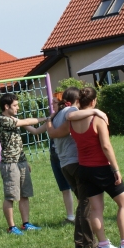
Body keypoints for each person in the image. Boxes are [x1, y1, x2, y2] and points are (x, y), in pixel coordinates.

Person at [67, 87, 124, 248]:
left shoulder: (73, 120)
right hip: (101, 168)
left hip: (84, 169)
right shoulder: (98, 119)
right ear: (94, 101)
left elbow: (69, 116)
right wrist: (115, 168)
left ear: (79, 101)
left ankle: (103, 245)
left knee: (96, 209)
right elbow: (106, 146)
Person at [47, 86, 96, 248]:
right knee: (86, 203)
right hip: (75, 162)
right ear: (77, 100)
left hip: (64, 165)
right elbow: (71, 120)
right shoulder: (71, 111)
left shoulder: (58, 114)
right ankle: (87, 243)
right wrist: (96, 111)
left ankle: (81, 243)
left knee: (83, 203)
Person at [0, 93, 49, 235]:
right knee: (11, 196)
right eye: (15, 105)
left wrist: (50, 121)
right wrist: (44, 118)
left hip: (21, 161)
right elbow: (26, 122)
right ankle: (12, 227)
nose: (18, 108)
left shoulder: (14, 119)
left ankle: (26, 224)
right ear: (6, 106)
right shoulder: (2, 120)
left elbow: (35, 131)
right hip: (10, 163)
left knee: (25, 194)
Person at [48, 94, 77, 224]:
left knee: (76, 189)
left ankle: (82, 216)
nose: (52, 105)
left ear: (62, 103)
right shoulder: (53, 118)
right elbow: (37, 131)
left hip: (67, 158)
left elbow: (53, 133)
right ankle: (70, 216)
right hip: (55, 157)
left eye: (54, 102)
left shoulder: (67, 114)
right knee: (64, 188)